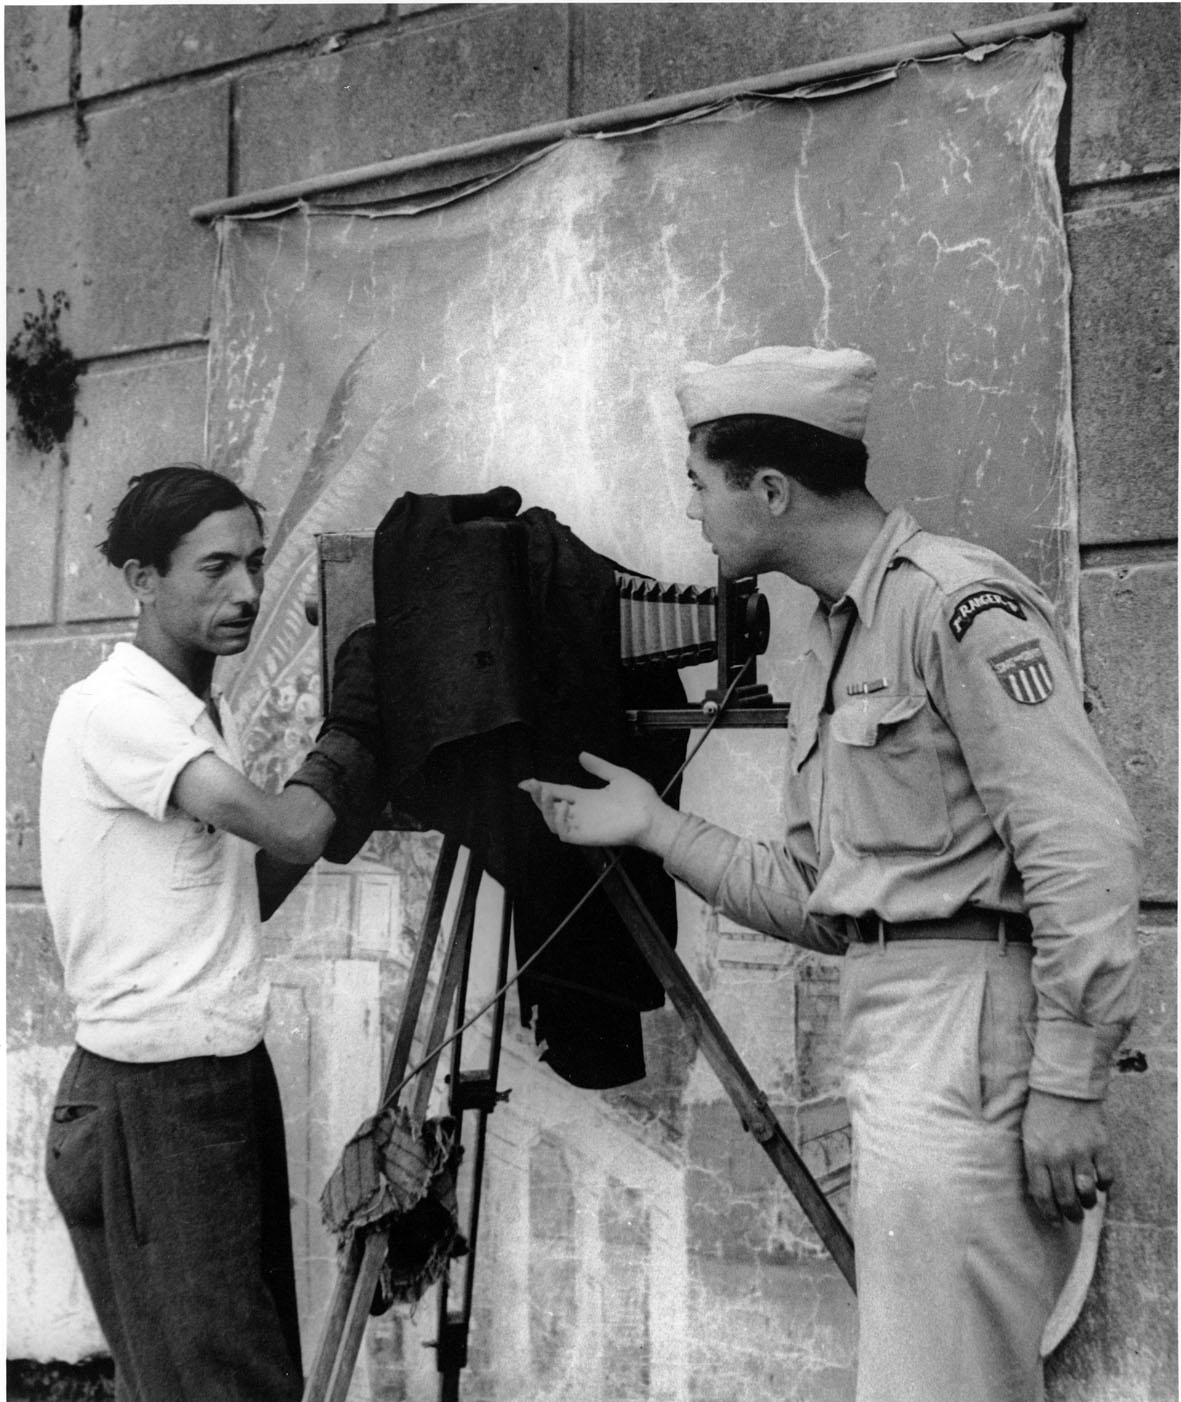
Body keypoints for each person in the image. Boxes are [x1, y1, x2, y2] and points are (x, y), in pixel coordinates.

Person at [520, 346, 1141, 1402]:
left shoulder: (954, 604)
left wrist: (1068, 1082)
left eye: (698, 484)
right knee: (925, 1379)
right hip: (898, 1029)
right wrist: (659, 828)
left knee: (948, 1383)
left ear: (768, 489)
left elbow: (1081, 849)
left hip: (969, 1032)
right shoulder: (835, 639)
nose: (689, 513)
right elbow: (824, 900)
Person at [40, 464, 380, 1402]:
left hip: (210, 1083)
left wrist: (350, 777)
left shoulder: (193, 714)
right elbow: (294, 825)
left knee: (241, 1377)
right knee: (223, 1388)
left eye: (257, 565)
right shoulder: (117, 710)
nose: (247, 592)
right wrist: (359, 709)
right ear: (143, 580)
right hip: (154, 1099)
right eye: (216, 568)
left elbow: (244, 893)